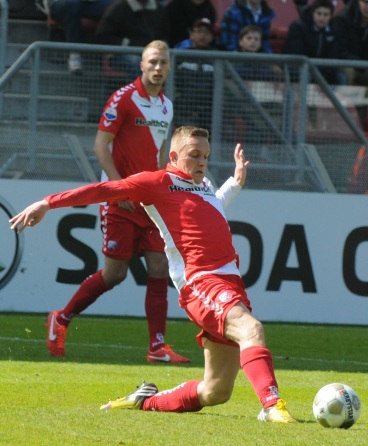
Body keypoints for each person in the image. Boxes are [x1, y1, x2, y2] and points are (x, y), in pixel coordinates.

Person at [10, 127, 298, 424]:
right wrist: (48, 202)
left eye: (206, 156)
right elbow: (104, 190)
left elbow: (212, 207)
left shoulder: (204, 185)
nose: (202, 162)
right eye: (194, 155)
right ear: (173, 156)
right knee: (251, 329)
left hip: (229, 281)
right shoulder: (156, 182)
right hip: (200, 281)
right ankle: (271, 405)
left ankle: (143, 401)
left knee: (215, 391)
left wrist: (235, 183)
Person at [45, 41, 190, 365]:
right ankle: (62, 318)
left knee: (159, 266)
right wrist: (119, 189)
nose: (157, 67)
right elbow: (100, 146)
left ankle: (157, 346)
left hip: (147, 201)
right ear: (141, 64)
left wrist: (165, 187)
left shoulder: (166, 106)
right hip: (120, 200)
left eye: (163, 62)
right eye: (152, 61)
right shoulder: (124, 98)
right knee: (115, 274)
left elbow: (164, 151)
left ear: (168, 67)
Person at [95, 0, 169, 81]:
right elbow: (103, 36)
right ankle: (139, 93)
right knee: (138, 63)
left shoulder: (159, 9)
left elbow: (166, 34)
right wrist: (128, 43)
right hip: (121, 54)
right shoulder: (118, 9)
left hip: (154, 53)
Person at [283, 0, 346, 85]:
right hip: (301, 68)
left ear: (331, 16)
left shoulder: (335, 30)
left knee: (341, 78)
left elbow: (334, 57)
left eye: (325, 14)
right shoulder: (298, 27)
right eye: (319, 14)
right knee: (306, 75)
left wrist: (321, 72)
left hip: (324, 70)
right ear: (313, 13)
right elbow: (296, 55)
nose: (322, 18)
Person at [42, 0, 116, 72]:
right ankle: (74, 54)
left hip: (89, 3)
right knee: (73, 4)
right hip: (60, 3)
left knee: (115, 6)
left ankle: (113, 60)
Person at [332, 0, 368, 86]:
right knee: (348, 72)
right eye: (367, 2)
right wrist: (366, 66)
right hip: (349, 64)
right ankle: (343, 100)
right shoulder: (342, 20)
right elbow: (341, 52)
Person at [174, 18, 218, 130]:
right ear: (191, 34)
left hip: (208, 108)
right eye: (199, 31)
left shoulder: (217, 58)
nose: (202, 35)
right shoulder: (180, 56)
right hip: (183, 107)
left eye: (207, 33)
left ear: (212, 37)